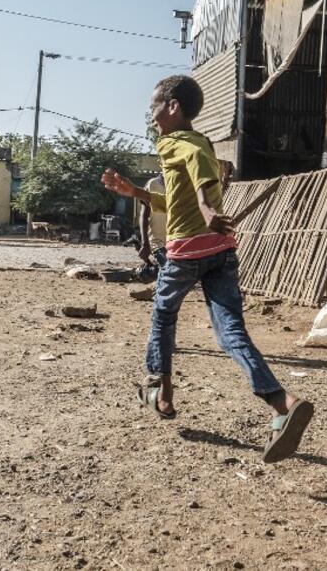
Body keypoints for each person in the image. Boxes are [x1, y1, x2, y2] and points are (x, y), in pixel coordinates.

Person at [101, 75, 314, 463]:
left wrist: (206, 207)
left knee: (164, 317)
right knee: (230, 330)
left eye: (154, 108)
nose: (151, 116)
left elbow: (199, 172)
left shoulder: (178, 142)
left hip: (185, 252)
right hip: (220, 250)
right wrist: (136, 194)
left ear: (172, 107)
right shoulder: (195, 143)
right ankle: (282, 403)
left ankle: (160, 391)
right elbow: (178, 197)